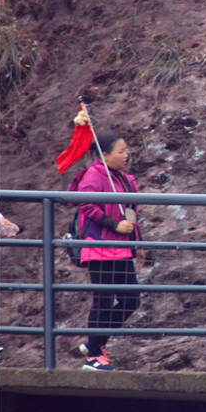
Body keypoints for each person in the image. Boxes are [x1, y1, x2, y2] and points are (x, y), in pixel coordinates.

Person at [72, 131, 143, 371]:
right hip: (100, 247)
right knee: (102, 301)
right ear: (105, 155)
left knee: (131, 300)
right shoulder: (94, 174)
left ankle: (94, 342)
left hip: (122, 248)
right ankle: (93, 355)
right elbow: (86, 204)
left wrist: (137, 242)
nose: (126, 154)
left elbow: (131, 212)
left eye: (126, 150)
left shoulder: (123, 178)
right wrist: (114, 225)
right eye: (121, 151)